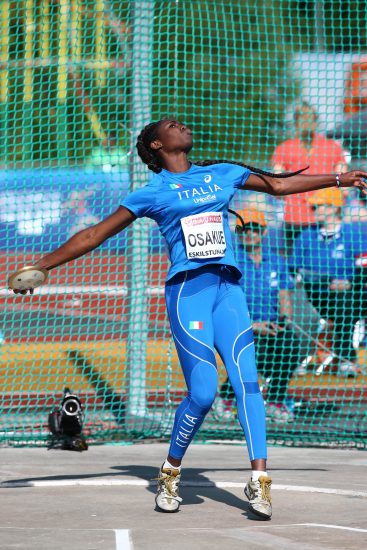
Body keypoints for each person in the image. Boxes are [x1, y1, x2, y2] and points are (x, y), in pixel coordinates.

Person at [10, 119, 367, 520]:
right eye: (170, 125)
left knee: (249, 383)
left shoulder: (222, 174)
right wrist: (42, 265)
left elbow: (279, 186)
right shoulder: (153, 192)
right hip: (188, 294)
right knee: (203, 393)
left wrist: (340, 178)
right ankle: (170, 471)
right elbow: (95, 234)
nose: (181, 125)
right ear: (158, 144)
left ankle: (259, 480)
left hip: (228, 292)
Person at [218, 208, 303, 424]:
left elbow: (284, 295)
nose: (250, 235)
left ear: (263, 233)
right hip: (240, 326)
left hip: (272, 326)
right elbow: (226, 303)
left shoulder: (276, 261)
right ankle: (226, 397)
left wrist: (284, 320)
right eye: (245, 230)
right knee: (253, 349)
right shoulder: (230, 261)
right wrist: (254, 325)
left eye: (255, 230)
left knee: (292, 345)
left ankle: (275, 400)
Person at [290, 188, 367, 377]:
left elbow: (364, 269)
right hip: (314, 295)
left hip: (351, 296)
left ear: (333, 208)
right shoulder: (307, 236)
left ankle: (346, 359)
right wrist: (327, 281)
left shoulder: (353, 234)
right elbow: (294, 270)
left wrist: (350, 283)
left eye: (319, 206)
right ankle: (296, 359)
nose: (314, 210)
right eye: (314, 207)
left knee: (346, 301)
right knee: (297, 303)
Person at [272, 102, 348, 256]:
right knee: (296, 267)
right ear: (296, 122)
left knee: (322, 266)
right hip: (296, 219)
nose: (307, 122)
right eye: (303, 118)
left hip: (324, 220)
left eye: (309, 118)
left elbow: (344, 187)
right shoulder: (284, 149)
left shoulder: (332, 147)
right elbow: (276, 187)